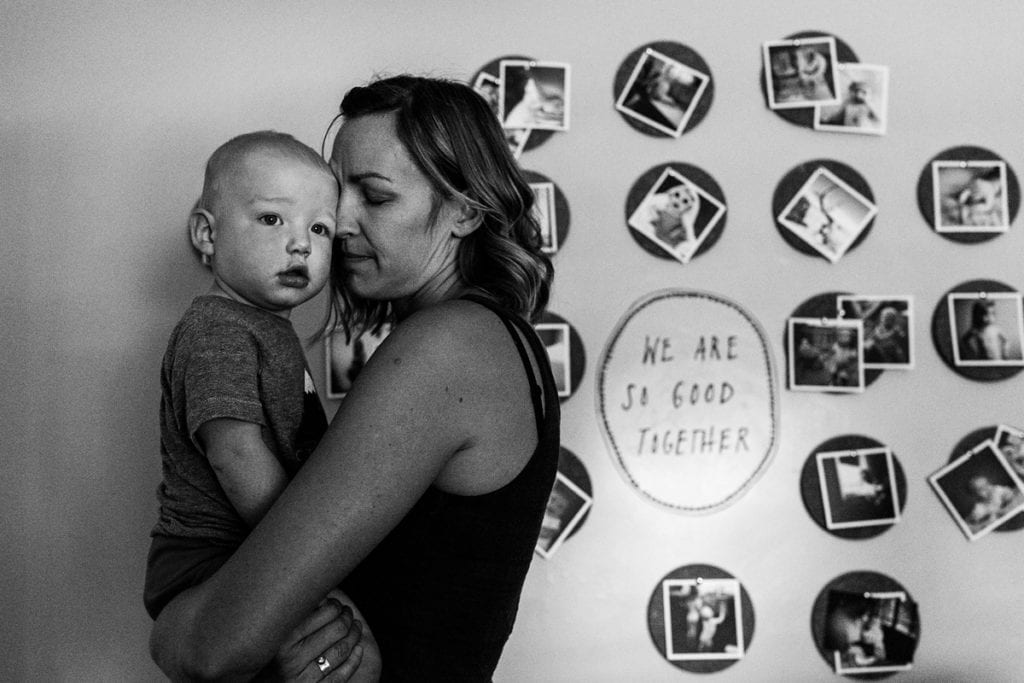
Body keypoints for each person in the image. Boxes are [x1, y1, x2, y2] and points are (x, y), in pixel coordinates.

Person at [149, 74, 559, 681]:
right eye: (339, 198)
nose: (339, 225)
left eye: (377, 196)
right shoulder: (489, 343)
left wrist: (172, 631)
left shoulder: (446, 347)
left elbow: (211, 648)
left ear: (465, 212)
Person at [144, 130, 380, 680]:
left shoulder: (264, 327)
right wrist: (303, 554)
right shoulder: (218, 330)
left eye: (319, 229)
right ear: (207, 233)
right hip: (211, 556)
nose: (301, 244)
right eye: (273, 220)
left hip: (246, 545)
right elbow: (235, 455)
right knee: (351, 660)